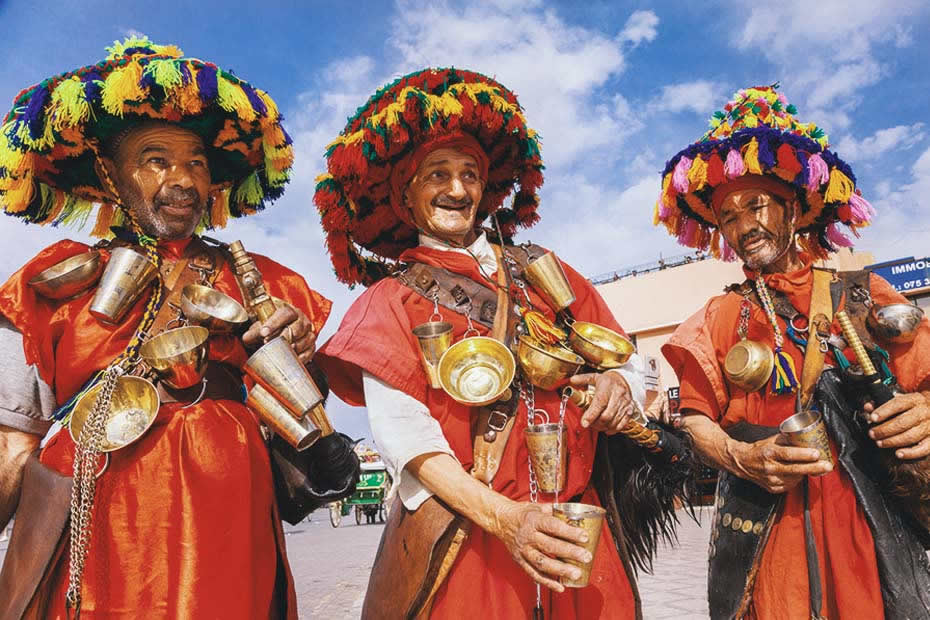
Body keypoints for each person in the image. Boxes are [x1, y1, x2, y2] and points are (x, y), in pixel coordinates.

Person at [315, 67, 692, 619]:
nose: (457, 189)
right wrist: (507, 521)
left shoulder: (546, 272)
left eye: (470, 173)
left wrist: (618, 386)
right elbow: (408, 442)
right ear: (406, 194)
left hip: (577, 529)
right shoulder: (389, 302)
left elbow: (631, 364)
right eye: (437, 173)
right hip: (472, 539)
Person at [0, 37, 358, 619]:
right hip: (102, 533)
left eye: (196, 162)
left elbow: (306, 434)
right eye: (156, 159)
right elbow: (13, 438)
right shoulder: (47, 287)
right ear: (108, 173)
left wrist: (303, 372)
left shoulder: (265, 285)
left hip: (228, 529)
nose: (184, 179)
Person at [657, 85, 930, 619]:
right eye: (728, 216)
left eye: (755, 205)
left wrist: (925, 412)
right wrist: (742, 457)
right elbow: (694, 421)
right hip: (764, 523)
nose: (743, 227)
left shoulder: (863, 295)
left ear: (793, 208)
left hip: (865, 522)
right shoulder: (716, 317)